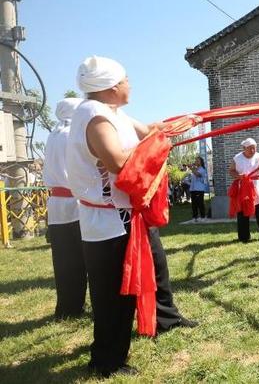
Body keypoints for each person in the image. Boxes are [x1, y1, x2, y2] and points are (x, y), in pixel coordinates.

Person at [67, 56, 195, 377]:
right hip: (107, 221)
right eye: (126, 81)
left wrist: (181, 124)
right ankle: (106, 362)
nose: (130, 85)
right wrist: (155, 150)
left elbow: (149, 132)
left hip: (123, 216)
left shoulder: (113, 113)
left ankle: (118, 348)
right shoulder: (95, 117)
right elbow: (117, 161)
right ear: (112, 88)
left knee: (130, 286)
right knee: (113, 295)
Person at [43, 97, 86, 319]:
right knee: (87, 257)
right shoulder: (73, 134)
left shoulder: (53, 135)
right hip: (76, 203)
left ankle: (68, 308)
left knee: (64, 260)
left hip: (57, 205)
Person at [229, 138, 259, 243]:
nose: (253, 150)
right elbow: (231, 171)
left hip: (257, 187)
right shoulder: (237, 158)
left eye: (254, 148)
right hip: (243, 187)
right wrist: (238, 176)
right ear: (244, 148)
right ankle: (244, 238)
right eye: (250, 148)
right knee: (243, 213)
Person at [189, 157, 207, 222]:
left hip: (199, 189)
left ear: (201, 162)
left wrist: (192, 168)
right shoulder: (195, 169)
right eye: (196, 160)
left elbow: (197, 174)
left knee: (200, 203)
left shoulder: (202, 169)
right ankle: (195, 217)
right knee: (194, 204)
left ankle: (203, 217)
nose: (196, 162)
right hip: (193, 189)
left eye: (198, 161)